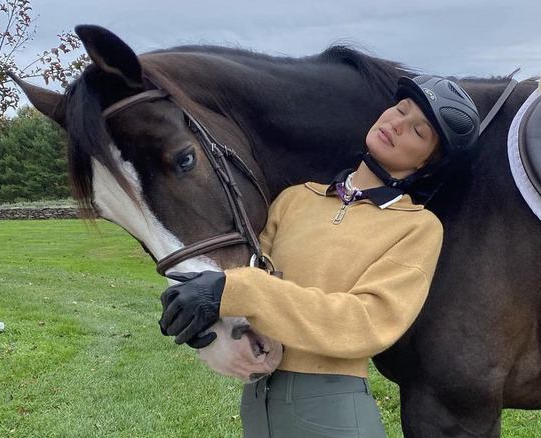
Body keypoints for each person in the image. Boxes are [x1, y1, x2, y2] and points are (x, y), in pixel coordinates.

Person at [159, 75, 480, 437]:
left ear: (428, 165)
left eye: (418, 131)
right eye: (400, 110)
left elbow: (367, 322)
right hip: (257, 403)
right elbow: (246, 277)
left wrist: (235, 291)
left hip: (334, 411)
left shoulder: (416, 228)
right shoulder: (296, 199)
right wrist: (206, 315)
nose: (396, 124)